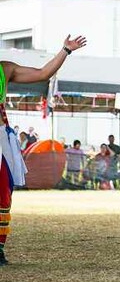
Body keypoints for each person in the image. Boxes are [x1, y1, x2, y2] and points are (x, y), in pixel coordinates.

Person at [0, 35, 87, 265]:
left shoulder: (5, 69)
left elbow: (43, 73)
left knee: (3, 194)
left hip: (1, 139)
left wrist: (65, 50)